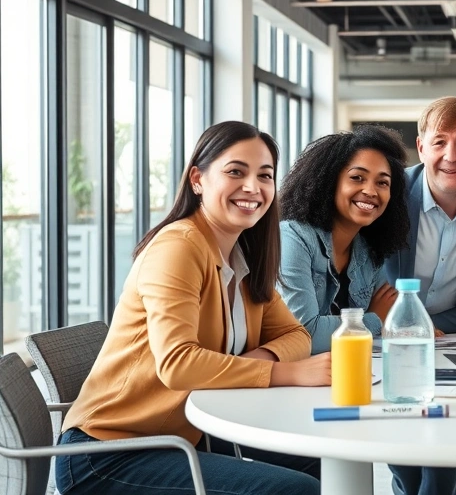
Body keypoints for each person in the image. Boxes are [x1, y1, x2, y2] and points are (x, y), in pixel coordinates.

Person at [55, 122, 330, 495]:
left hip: (186, 432)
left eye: (265, 176)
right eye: (236, 171)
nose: (253, 187)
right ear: (198, 179)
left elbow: (296, 334)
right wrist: (288, 373)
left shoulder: (243, 256)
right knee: (293, 489)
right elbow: (178, 364)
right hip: (109, 453)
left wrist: (264, 359)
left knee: (324, 458)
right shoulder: (179, 247)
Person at [383, 96, 456, 495]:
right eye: (439, 142)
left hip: (454, 339)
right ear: (420, 147)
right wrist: (404, 330)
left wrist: (426, 328)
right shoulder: (388, 194)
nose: (451, 155)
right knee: (406, 467)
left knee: (438, 471)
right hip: (388, 340)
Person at [278, 126, 410, 352]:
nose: (370, 191)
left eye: (382, 182)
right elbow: (304, 335)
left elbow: (393, 315)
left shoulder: (369, 251)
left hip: (344, 371)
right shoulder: (293, 237)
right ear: (329, 182)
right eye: (357, 178)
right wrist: (373, 318)